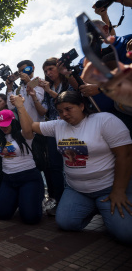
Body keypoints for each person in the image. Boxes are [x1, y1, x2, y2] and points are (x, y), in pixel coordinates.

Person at [15, 91, 132, 244]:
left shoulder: (105, 120)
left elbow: (126, 155)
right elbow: (29, 128)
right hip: (77, 190)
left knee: (126, 235)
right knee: (66, 223)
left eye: (68, 109)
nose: (64, 114)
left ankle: (105, 208)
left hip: (109, 189)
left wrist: (118, 190)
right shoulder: (58, 125)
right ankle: (97, 207)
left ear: (82, 106)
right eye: (60, 111)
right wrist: (20, 107)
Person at [37, 57, 76, 215]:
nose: (48, 73)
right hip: (54, 130)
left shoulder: (69, 82)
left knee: (72, 163)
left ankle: (75, 199)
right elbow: (44, 111)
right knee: (54, 167)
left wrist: (48, 90)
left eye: (51, 69)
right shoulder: (49, 87)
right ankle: (59, 200)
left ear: (59, 68)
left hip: (71, 128)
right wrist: (33, 96)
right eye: (46, 71)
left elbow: (67, 100)